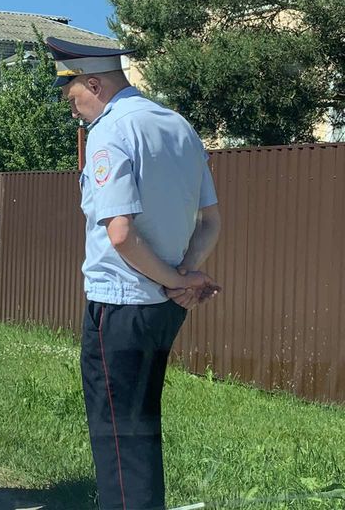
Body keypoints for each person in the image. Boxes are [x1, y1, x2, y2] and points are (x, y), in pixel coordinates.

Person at [47, 36, 222, 510]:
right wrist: (183, 275)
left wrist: (173, 278)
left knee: (118, 439)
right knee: (141, 427)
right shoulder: (178, 126)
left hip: (121, 304)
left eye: (72, 95)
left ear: (94, 82)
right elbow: (210, 222)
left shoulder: (110, 131)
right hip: (166, 307)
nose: (73, 108)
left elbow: (120, 234)